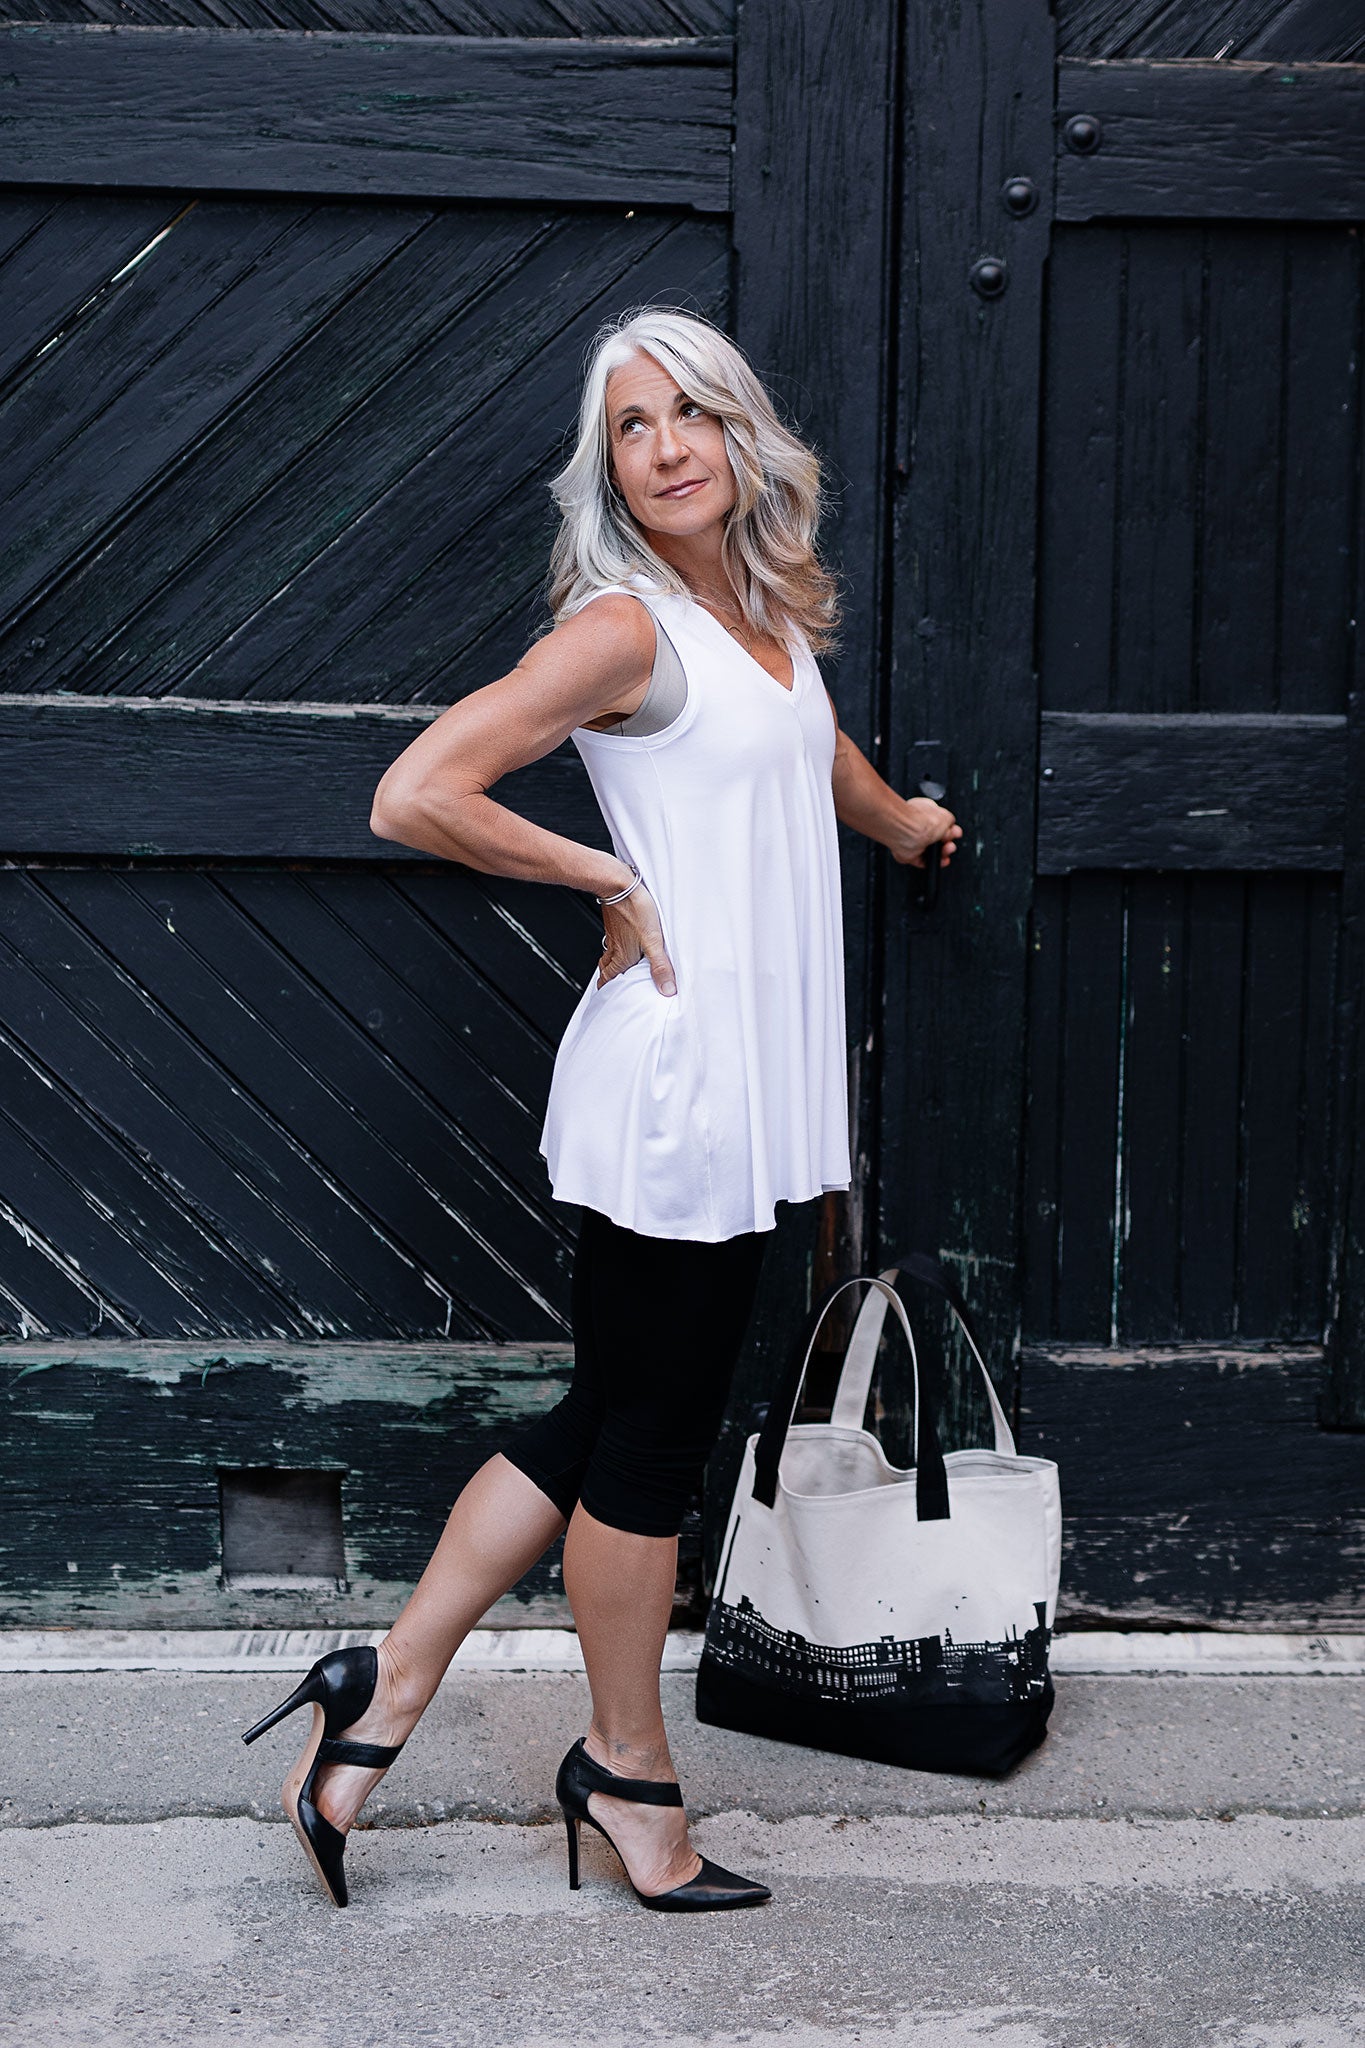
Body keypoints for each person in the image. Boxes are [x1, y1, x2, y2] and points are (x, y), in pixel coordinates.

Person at [240, 306, 960, 1914]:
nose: (666, 447)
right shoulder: (624, 632)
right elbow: (416, 791)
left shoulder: (758, 617)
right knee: (648, 1445)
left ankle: (379, 1695)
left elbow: (812, 753)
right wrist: (604, 879)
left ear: (741, 435)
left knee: (600, 1415)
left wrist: (905, 825)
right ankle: (627, 1772)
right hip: (680, 1086)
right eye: (632, 427)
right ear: (609, 469)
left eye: (690, 412)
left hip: (733, 1077)